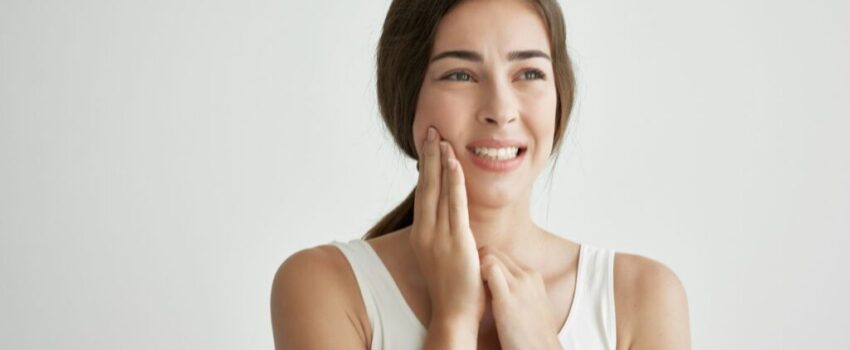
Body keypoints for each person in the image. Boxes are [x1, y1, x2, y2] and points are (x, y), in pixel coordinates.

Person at [271, 0, 691, 349]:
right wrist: (454, 318)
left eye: (529, 73)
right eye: (461, 75)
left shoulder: (643, 296)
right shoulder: (325, 286)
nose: (501, 110)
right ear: (407, 96)